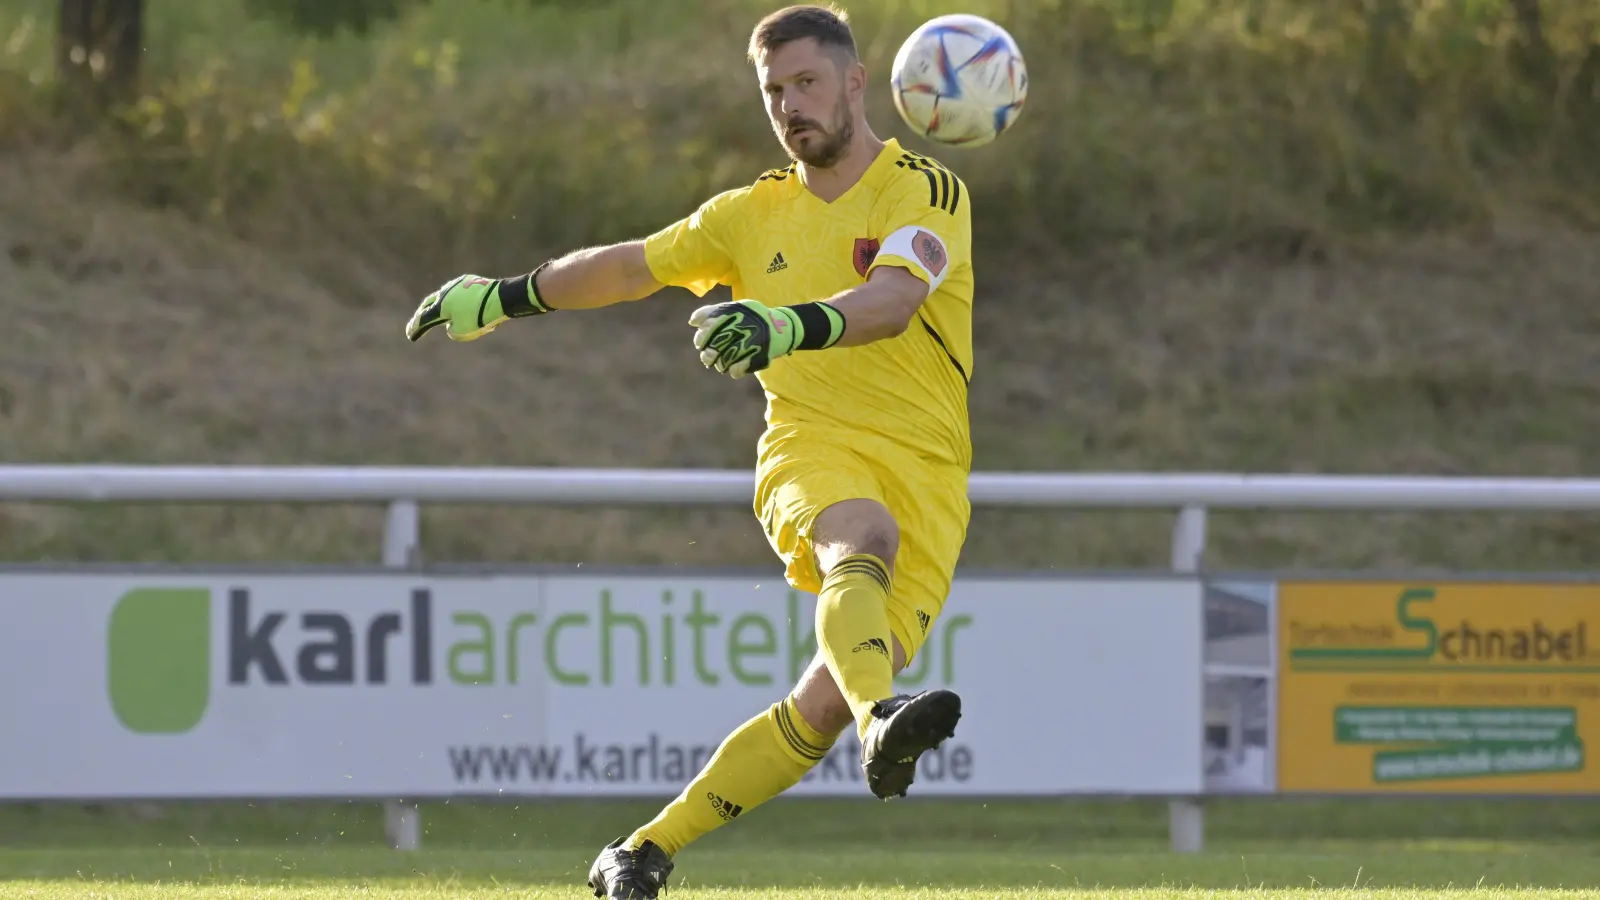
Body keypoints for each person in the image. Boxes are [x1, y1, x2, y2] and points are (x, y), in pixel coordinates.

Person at [404, 4, 975, 897]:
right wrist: (508, 296)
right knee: (859, 537)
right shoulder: (749, 216)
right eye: (773, 91)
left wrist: (780, 322)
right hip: (810, 447)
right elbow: (632, 267)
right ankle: (884, 717)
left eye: (807, 83)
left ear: (857, 83)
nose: (789, 106)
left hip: (928, 475)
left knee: (818, 705)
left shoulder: (925, 191)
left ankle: (641, 849)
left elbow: (893, 301)